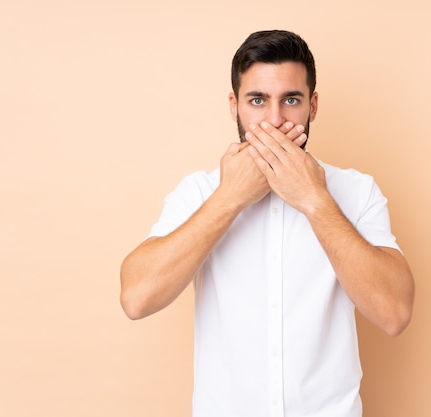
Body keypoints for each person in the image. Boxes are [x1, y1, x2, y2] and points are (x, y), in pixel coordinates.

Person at [120, 29, 415, 417]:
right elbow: (136, 299)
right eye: (257, 100)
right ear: (234, 106)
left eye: (290, 100)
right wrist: (229, 198)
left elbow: (394, 313)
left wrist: (314, 199)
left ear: (312, 106)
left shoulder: (356, 192)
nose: (274, 121)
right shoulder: (199, 191)